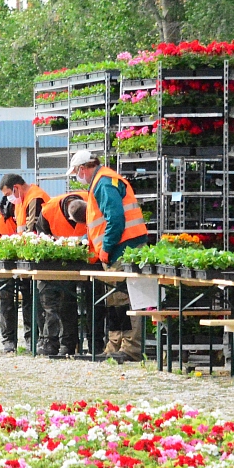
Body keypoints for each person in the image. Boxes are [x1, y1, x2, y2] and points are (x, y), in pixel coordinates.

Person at [69, 151, 148, 361]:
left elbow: (115, 219)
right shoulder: (102, 181)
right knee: (115, 300)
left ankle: (130, 348)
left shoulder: (103, 183)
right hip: (119, 249)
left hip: (122, 248)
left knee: (124, 298)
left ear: (82, 169)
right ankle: (116, 345)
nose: (78, 176)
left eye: (77, 172)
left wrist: (106, 247)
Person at [3, 173, 86, 358]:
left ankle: (65, 343)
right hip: (54, 259)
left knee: (63, 302)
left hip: (78, 260)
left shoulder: (36, 198)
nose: (8, 198)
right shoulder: (31, 204)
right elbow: (38, 234)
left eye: (9, 193)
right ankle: (52, 342)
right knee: (51, 301)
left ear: (16, 187)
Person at [0, 184, 32, 353]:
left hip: (24, 260)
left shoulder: (23, 207)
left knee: (29, 298)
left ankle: (30, 340)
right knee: (7, 299)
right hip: (5, 262)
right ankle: (9, 341)